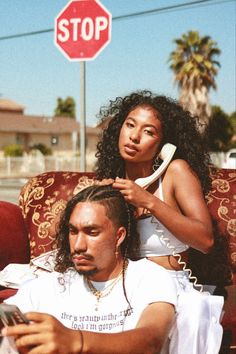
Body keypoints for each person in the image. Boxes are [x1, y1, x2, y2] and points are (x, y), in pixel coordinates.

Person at [95, 90, 224, 353]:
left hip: (171, 284)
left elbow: (205, 240)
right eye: (130, 125)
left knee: (193, 313)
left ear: (164, 143)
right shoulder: (113, 181)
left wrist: (149, 201)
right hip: (126, 285)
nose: (134, 136)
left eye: (148, 131)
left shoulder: (175, 172)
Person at [2, 184, 177, 354]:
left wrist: (77, 341)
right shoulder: (47, 286)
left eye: (92, 232)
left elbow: (151, 341)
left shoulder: (150, 277)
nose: (78, 245)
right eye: (73, 231)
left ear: (119, 236)